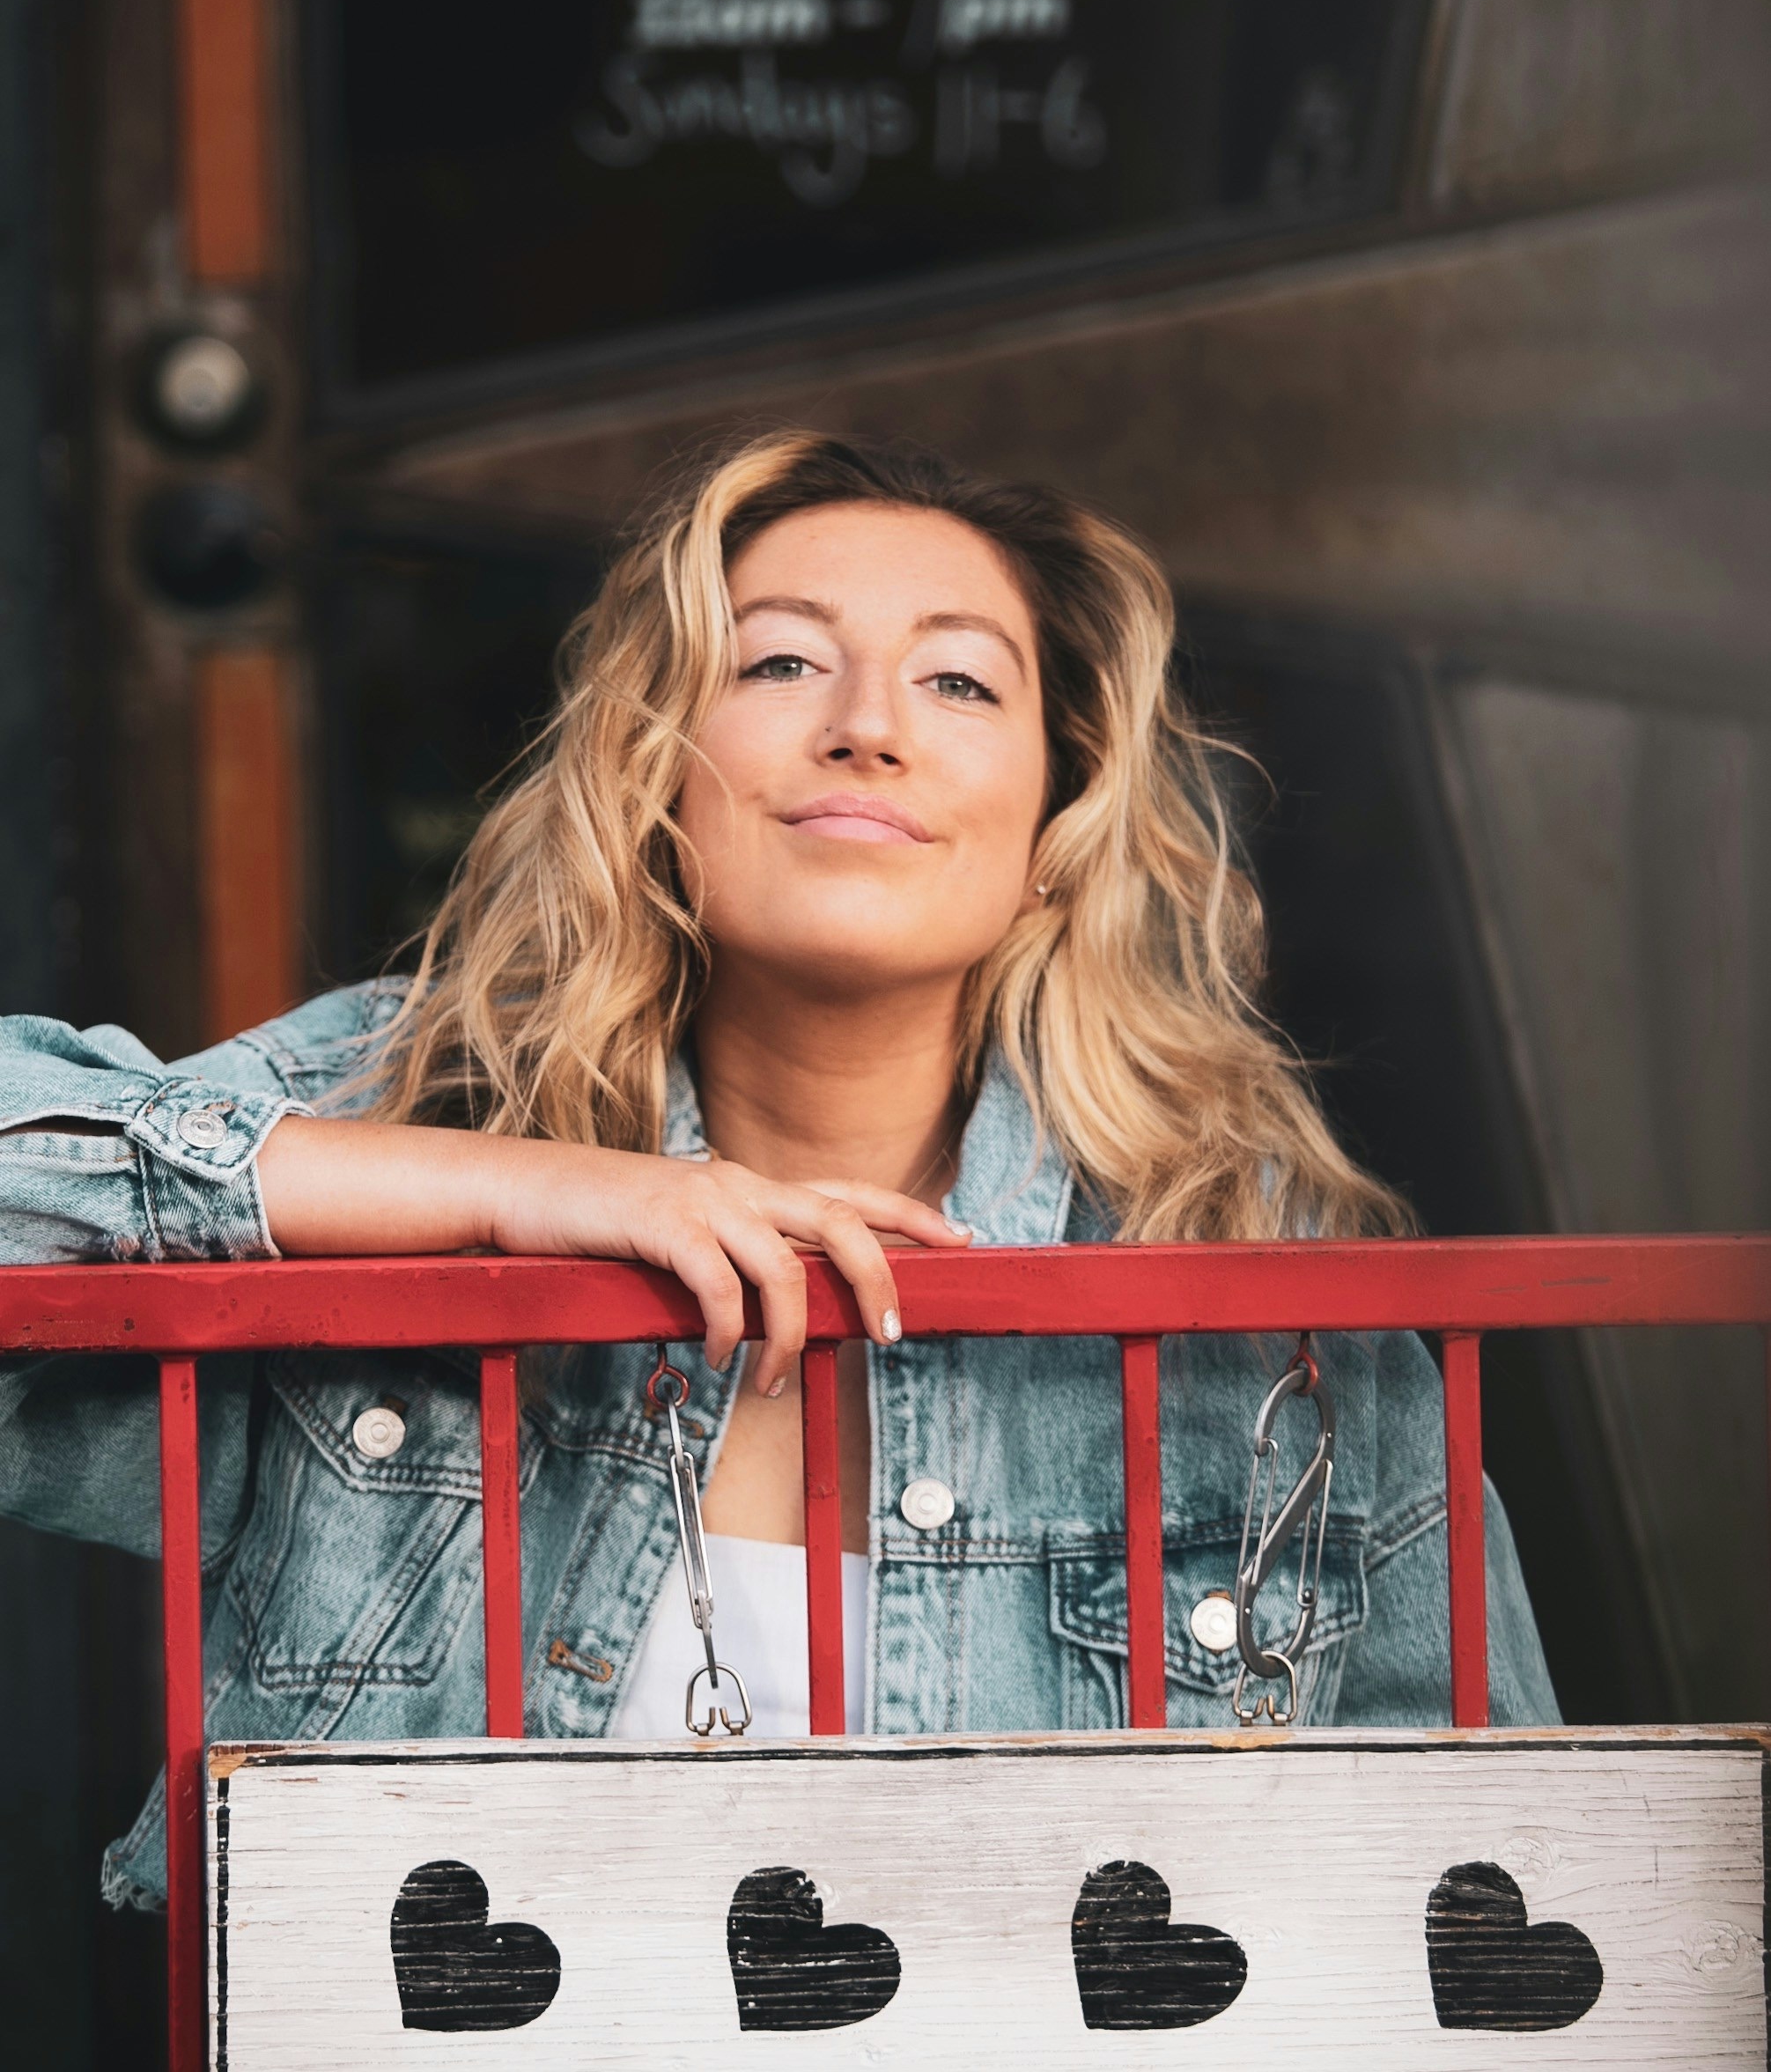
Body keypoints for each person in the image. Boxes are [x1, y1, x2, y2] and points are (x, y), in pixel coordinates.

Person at [0, 431, 1554, 1910]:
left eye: (958, 681)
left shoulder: (1268, 1321)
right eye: (781, 662)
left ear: (1055, 829)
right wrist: (523, 1191)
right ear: (655, 777)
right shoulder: (421, 1100)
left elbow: (1497, 1899)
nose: (867, 725)